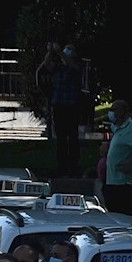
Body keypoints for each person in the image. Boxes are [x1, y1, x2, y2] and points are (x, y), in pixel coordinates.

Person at [46, 43, 84, 176]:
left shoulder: (77, 66)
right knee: (61, 138)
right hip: (59, 106)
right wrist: (50, 52)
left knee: (72, 137)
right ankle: (62, 166)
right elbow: (46, 64)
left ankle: (73, 166)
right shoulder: (58, 68)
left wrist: (60, 52)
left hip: (71, 106)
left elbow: (71, 64)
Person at [105, 101, 132, 216]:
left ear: (122, 112)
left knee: (122, 215)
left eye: (114, 110)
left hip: (123, 183)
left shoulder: (130, 128)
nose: (111, 113)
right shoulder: (117, 128)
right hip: (112, 180)